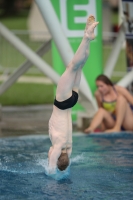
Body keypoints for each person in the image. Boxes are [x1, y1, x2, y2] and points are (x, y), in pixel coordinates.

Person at [48, 15, 99, 173]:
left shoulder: (68, 147)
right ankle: (87, 36)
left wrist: (62, 165)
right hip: (62, 104)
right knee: (71, 67)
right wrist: (51, 171)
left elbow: (64, 161)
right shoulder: (58, 143)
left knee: (79, 66)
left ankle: (88, 36)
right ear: (55, 156)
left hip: (72, 101)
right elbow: (53, 162)